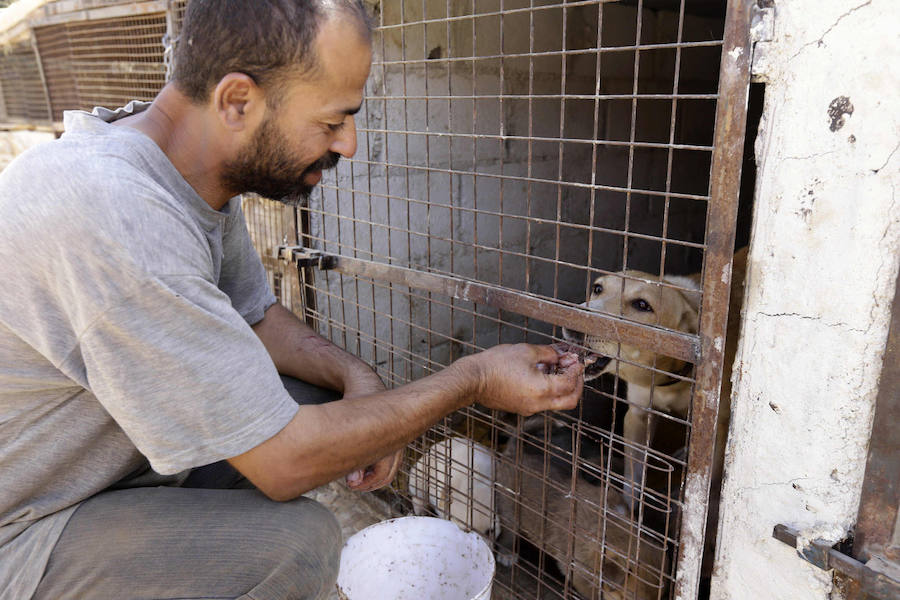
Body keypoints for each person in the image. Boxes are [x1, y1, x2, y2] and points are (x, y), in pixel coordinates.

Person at [0, 1, 584, 599]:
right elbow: (284, 466)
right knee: (299, 544)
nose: (350, 144)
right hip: (25, 524)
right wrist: (472, 380)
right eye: (332, 121)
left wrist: (360, 379)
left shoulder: (187, 171)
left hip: (102, 467)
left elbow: (254, 318)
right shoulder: (116, 216)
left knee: (319, 396)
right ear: (237, 102)